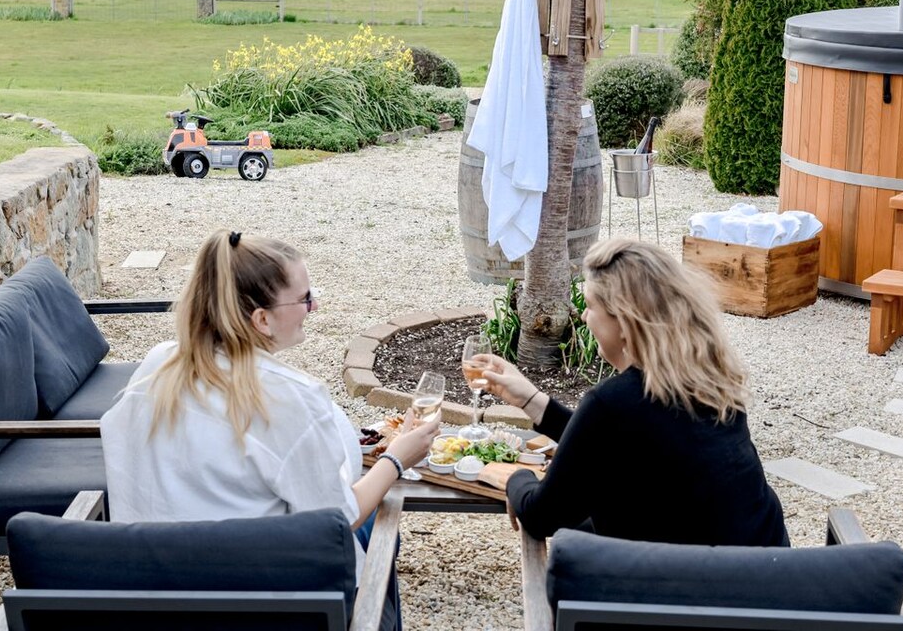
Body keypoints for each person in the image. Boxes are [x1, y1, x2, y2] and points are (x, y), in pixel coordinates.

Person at [101, 229, 438, 630]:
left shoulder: (158, 365)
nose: (314, 306)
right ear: (262, 319)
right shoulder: (285, 398)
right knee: (378, 527)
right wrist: (396, 459)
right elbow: (335, 520)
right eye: (305, 298)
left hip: (154, 598)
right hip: (265, 605)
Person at [478, 237, 789, 547]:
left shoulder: (613, 403)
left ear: (624, 321)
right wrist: (531, 401)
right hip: (766, 566)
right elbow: (612, 440)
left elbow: (543, 516)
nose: (583, 317)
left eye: (590, 306)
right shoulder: (709, 379)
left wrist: (516, 478)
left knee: (574, 535)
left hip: (683, 575)